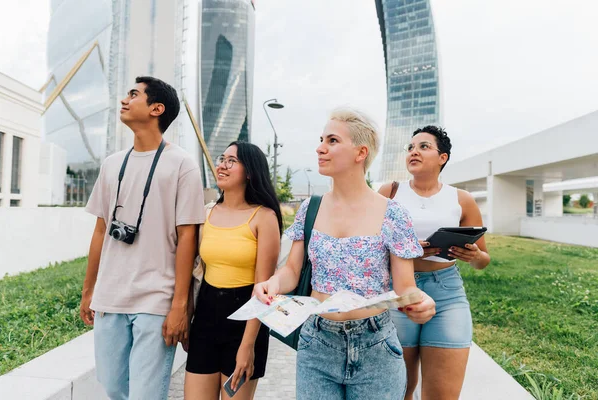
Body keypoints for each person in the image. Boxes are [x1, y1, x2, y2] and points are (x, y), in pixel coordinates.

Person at [254, 107, 436, 400]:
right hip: (317, 343)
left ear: (360, 152)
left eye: (332, 140)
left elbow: (406, 288)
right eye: (321, 139)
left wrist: (422, 302)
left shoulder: (393, 214)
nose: (320, 147)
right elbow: (291, 271)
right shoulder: (309, 208)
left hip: (376, 347)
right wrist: (272, 284)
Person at [80, 76, 205, 399]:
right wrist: (89, 290)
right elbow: (100, 230)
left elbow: (187, 236)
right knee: (112, 388)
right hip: (111, 297)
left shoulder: (182, 165)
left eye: (133, 94)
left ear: (156, 109)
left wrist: (180, 305)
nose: (125, 99)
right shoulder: (111, 165)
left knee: (146, 395)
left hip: (156, 299)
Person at [378, 125, 491, 400]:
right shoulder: (389, 193)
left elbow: (484, 260)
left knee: (442, 395)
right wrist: (408, 254)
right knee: (398, 391)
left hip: (447, 292)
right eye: (411, 148)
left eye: (424, 146)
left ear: (443, 158)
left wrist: (475, 256)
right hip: (398, 291)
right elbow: (367, 248)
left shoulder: (461, 199)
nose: (414, 151)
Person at [184, 141, 282, 400]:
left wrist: (247, 346)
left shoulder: (264, 218)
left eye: (231, 161)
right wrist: (186, 316)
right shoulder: (206, 214)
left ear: (249, 172)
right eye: (221, 159)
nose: (222, 165)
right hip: (205, 320)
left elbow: (263, 290)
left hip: (245, 324)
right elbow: (194, 272)